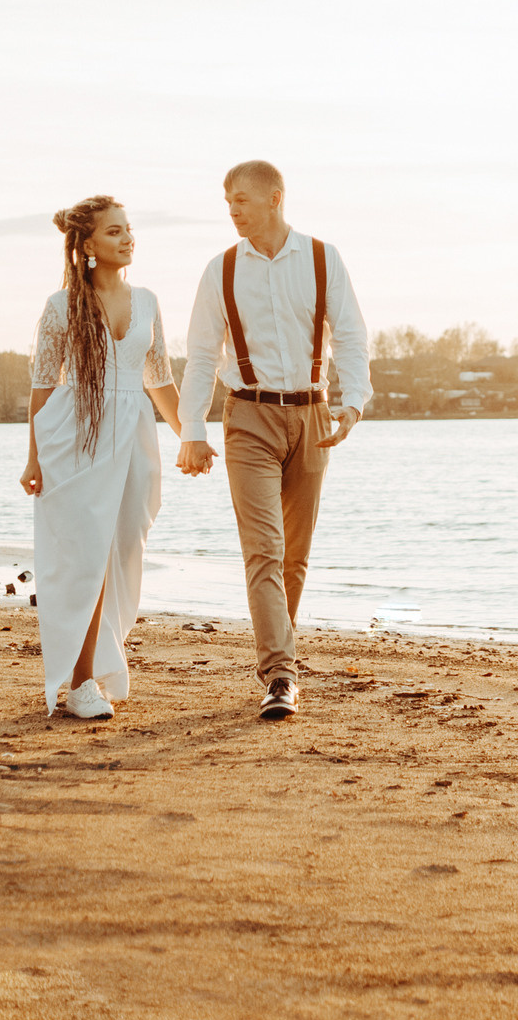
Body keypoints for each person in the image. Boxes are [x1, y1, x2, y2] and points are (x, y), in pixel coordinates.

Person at [177, 161, 370, 721]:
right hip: (248, 420)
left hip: (311, 415)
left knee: (295, 556)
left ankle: (278, 657)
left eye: (240, 199)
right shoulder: (221, 269)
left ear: (275, 198)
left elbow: (352, 335)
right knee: (263, 549)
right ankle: (281, 674)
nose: (231, 209)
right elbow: (201, 358)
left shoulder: (321, 258)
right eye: (227, 200)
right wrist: (193, 429)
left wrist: (352, 402)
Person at [20, 195, 185, 719]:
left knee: (123, 554)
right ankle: (79, 681)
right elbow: (43, 387)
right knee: (86, 556)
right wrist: (33, 459)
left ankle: (101, 660)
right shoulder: (60, 306)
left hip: (133, 435)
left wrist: (191, 436)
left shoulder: (150, 302)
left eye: (129, 229)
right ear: (87, 245)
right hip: (77, 435)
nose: (127, 238)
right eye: (114, 232)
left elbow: (158, 380)